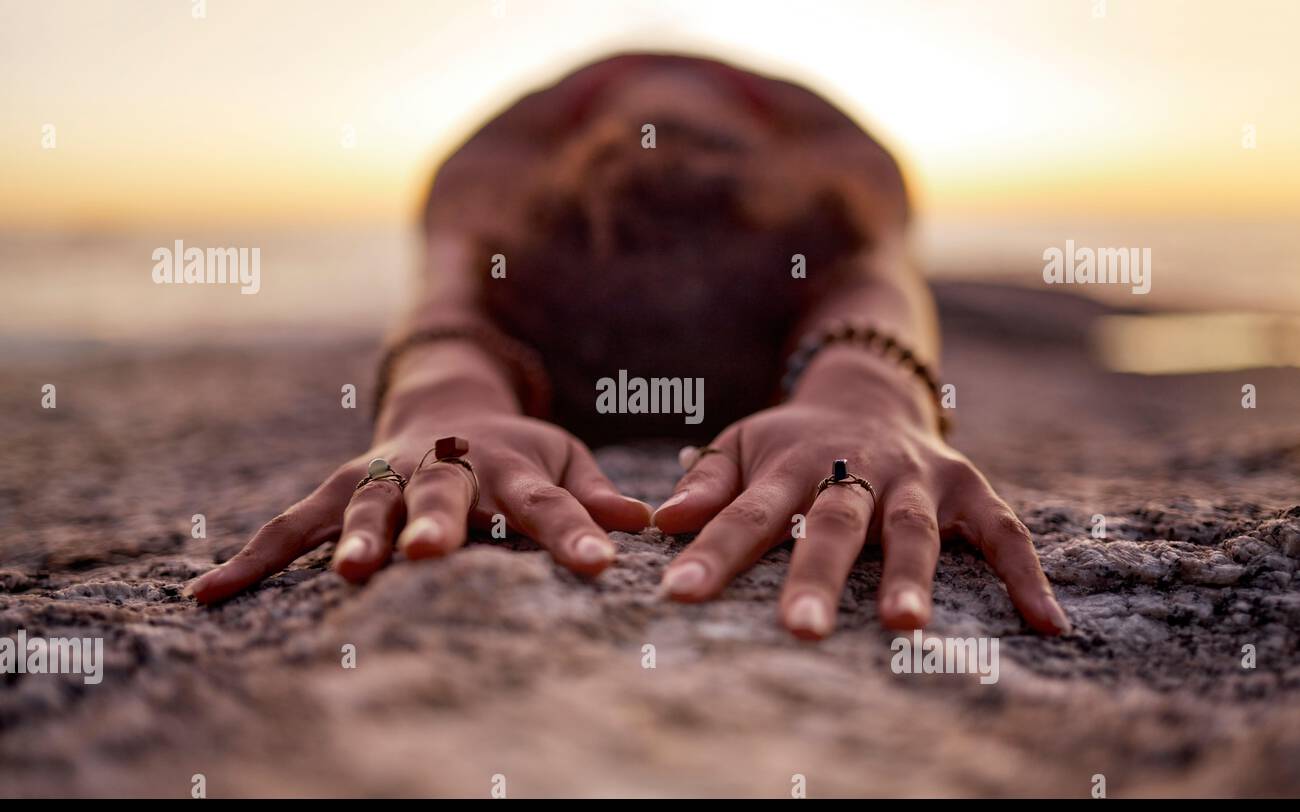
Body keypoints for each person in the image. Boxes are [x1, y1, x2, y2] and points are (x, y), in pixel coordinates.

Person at [187, 52, 1072, 639]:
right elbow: (451, 314)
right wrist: (443, 414)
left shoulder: (499, 164)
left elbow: (871, 284)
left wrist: (868, 401)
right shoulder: (492, 173)